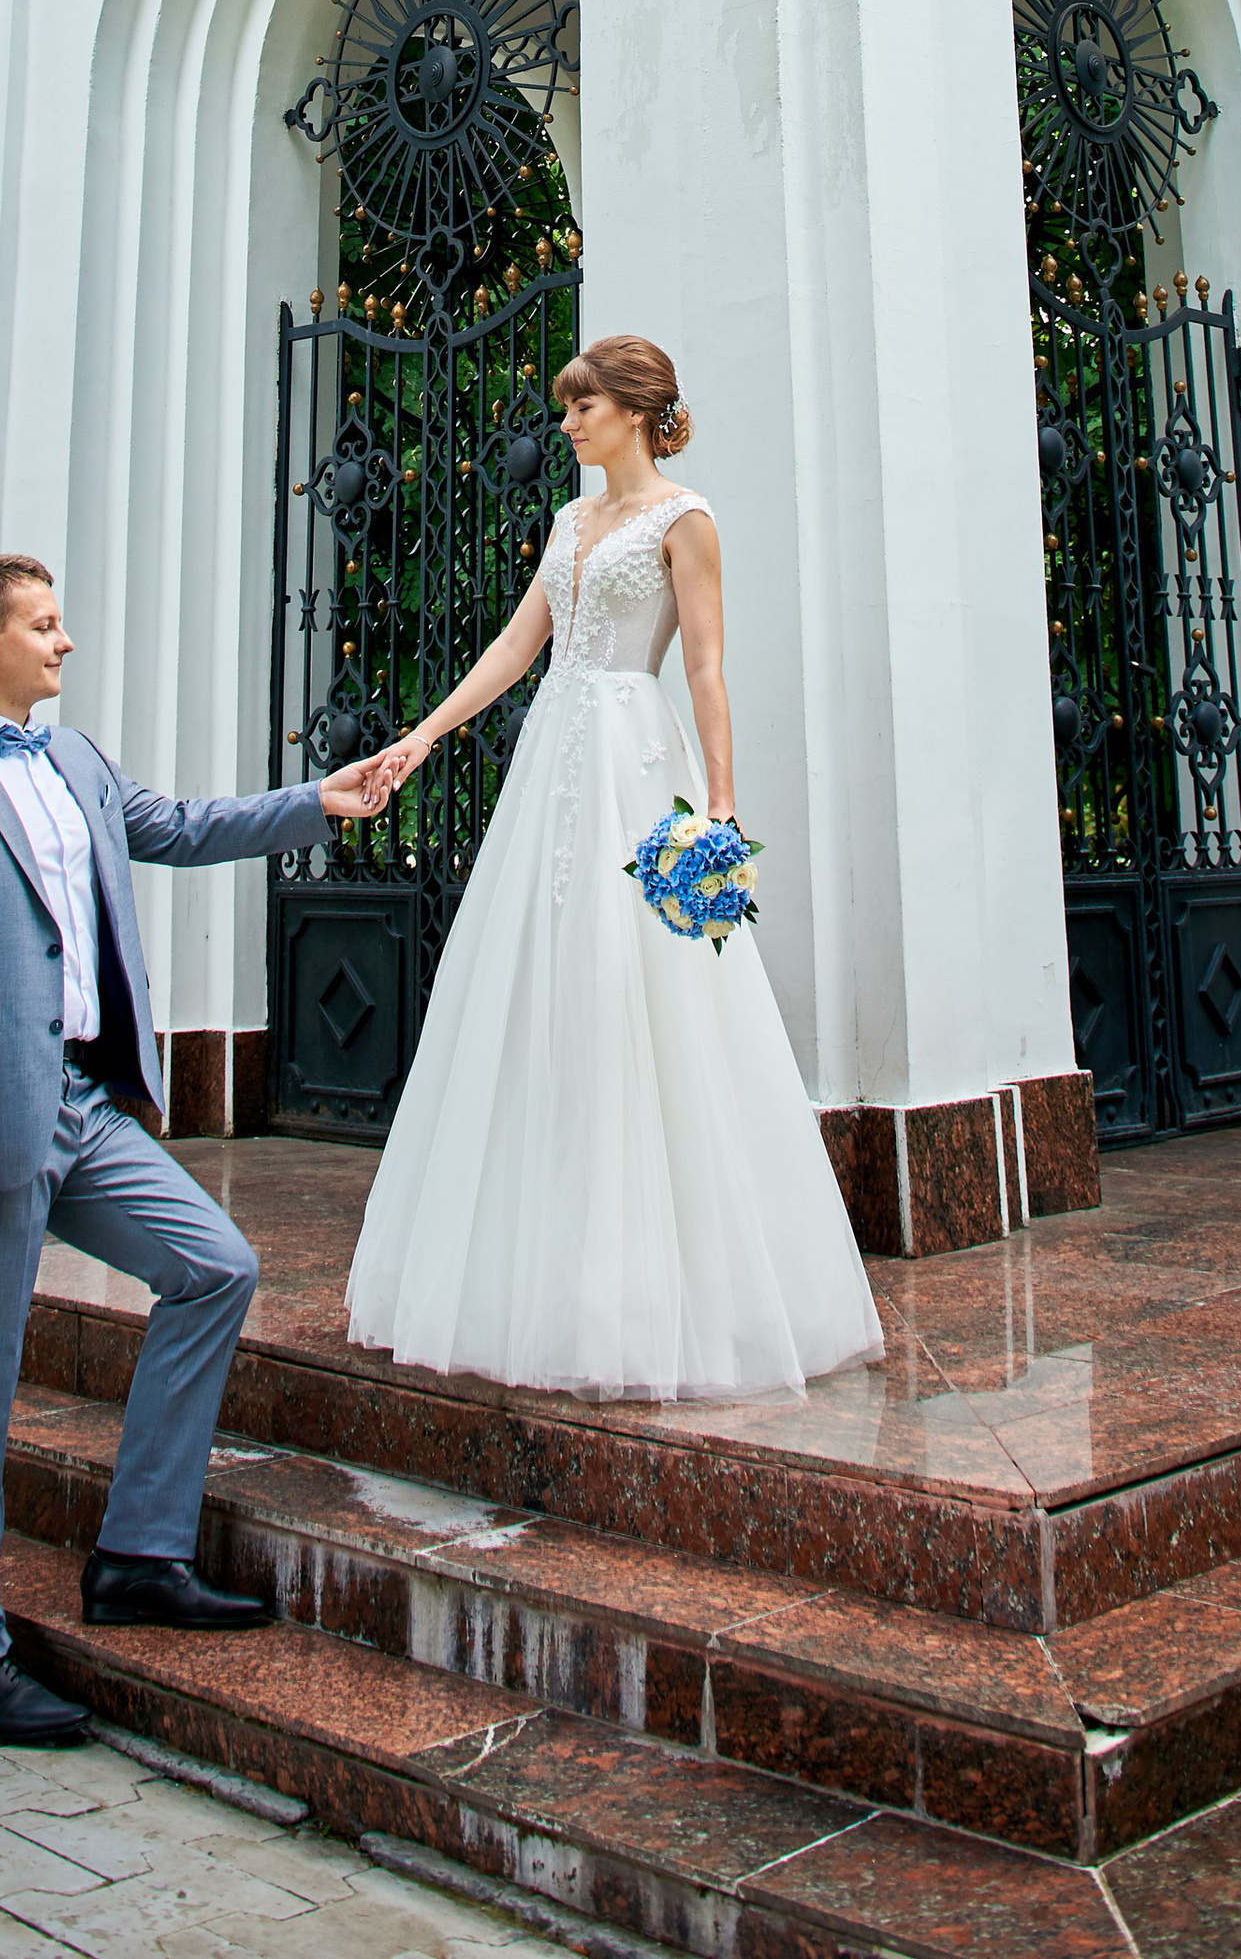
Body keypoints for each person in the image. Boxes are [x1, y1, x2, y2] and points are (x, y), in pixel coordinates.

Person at [0, 551, 390, 1745]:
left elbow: (184, 828)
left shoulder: (78, 762)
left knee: (215, 1267)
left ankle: (139, 1556)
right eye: (44, 625)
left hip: (89, 1109)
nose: (65, 641)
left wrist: (319, 800)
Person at [345, 336, 883, 1403]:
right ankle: (531, 1275)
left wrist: (721, 808)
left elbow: (705, 665)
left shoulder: (687, 521)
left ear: (634, 411)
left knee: (649, 990)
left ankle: (658, 1295)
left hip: (638, 762)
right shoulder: (565, 523)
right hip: (553, 758)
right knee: (538, 981)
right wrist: (420, 738)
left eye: (582, 406)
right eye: (566, 408)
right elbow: (514, 648)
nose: (566, 423)